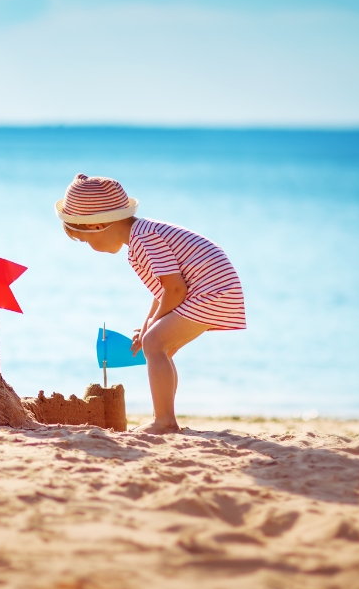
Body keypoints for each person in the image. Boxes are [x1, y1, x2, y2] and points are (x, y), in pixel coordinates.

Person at [57, 174, 245, 434]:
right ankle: (164, 417)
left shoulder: (144, 240)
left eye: (87, 240)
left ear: (97, 225)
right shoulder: (142, 235)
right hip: (212, 289)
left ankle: (164, 421)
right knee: (159, 346)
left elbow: (176, 288)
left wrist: (153, 328)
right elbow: (162, 290)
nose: (90, 247)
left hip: (211, 291)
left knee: (155, 343)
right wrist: (148, 324)